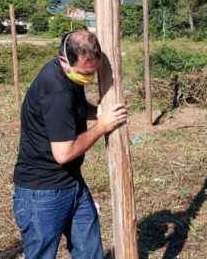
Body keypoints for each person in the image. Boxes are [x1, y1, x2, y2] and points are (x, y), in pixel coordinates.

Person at [12, 30, 128, 259]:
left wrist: (98, 112)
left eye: (92, 73)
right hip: (42, 192)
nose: (87, 79)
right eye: (84, 74)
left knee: (89, 251)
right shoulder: (55, 90)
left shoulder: (70, 74)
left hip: (72, 182)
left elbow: (76, 106)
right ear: (63, 59)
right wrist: (103, 126)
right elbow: (64, 153)